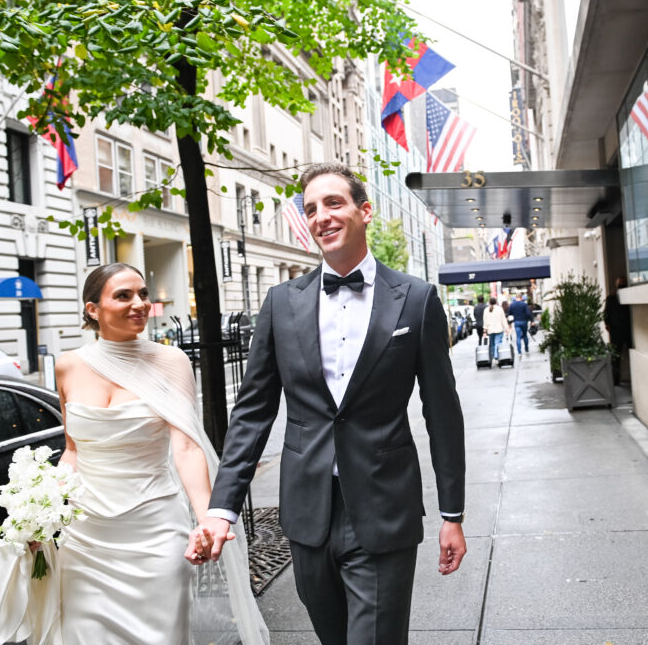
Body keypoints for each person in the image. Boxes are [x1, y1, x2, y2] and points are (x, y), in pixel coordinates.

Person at [194, 162, 467, 645]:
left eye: (334, 203)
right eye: (311, 208)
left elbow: (442, 412)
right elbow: (253, 412)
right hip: (306, 514)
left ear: (364, 211)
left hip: (384, 508)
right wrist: (222, 507)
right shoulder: (281, 303)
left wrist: (452, 514)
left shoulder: (416, 299)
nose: (321, 216)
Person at [0, 263, 268, 645]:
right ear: (93, 309)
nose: (140, 303)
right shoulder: (68, 366)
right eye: (123, 296)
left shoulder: (170, 362)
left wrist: (208, 519)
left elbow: (188, 448)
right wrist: (39, 513)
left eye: (142, 293)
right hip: (86, 537)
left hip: (155, 531)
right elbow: (73, 450)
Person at [603, 276, 632, 385]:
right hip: (616, 331)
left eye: (622, 284)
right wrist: (608, 325)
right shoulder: (611, 298)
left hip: (627, 330)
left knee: (628, 355)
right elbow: (606, 314)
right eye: (620, 285)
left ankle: (629, 377)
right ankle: (615, 379)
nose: (620, 287)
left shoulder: (625, 297)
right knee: (615, 357)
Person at [483, 296, 510, 364]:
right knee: (498, 343)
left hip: (490, 330)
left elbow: (485, 321)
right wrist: (506, 328)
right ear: (496, 302)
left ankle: (493, 357)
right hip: (499, 329)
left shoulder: (486, 310)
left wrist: (485, 331)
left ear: (489, 302)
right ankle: (496, 357)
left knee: (492, 344)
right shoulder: (500, 309)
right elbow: (503, 319)